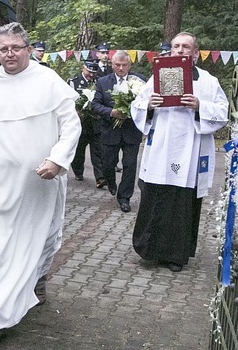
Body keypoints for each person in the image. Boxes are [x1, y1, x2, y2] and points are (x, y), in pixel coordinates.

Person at [0, 22, 81, 346]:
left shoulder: (49, 81)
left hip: (38, 185)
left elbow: (71, 126)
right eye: (3, 49)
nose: (9, 53)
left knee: (42, 240)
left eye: (15, 47)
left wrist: (57, 159)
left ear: (27, 49)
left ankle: (37, 280)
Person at [130, 32, 228, 272]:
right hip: (161, 148)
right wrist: (149, 106)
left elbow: (222, 111)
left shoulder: (208, 81)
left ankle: (176, 255)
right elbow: (137, 105)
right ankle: (150, 251)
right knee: (155, 197)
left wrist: (199, 106)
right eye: (176, 46)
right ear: (171, 51)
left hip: (190, 150)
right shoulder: (156, 78)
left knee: (181, 204)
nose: (181, 50)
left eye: (186, 47)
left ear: (195, 53)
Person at [91, 50, 146, 213]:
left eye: (124, 65)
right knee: (108, 163)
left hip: (131, 131)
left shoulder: (140, 81)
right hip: (110, 131)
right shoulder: (103, 81)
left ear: (129, 65)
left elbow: (147, 102)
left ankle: (124, 197)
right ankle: (111, 182)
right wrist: (111, 112)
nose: (121, 68)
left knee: (129, 165)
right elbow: (95, 105)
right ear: (112, 65)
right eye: (117, 65)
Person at [68, 60, 105, 187]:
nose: (91, 75)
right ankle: (78, 172)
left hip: (95, 122)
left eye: (94, 73)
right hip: (80, 122)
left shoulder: (99, 81)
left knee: (98, 151)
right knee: (79, 151)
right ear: (83, 68)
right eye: (89, 72)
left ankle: (100, 177)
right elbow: (68, 100)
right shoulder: (74, 81)